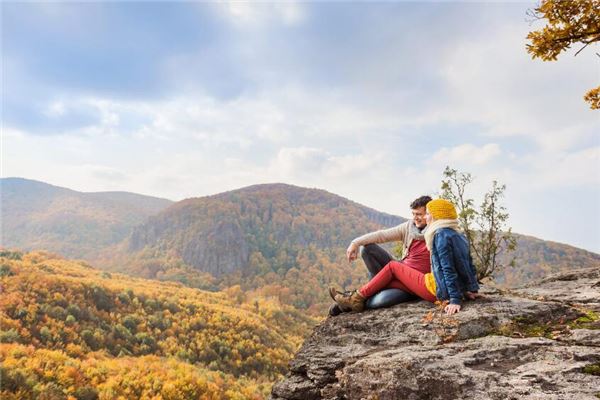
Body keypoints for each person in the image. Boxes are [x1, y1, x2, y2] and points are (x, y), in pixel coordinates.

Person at [330, 198, 480, 315]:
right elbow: (466, 264)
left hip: (424, 283)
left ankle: (351, 301)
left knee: (375, 301)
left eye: (423, 214)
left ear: (434, 216)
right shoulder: (454, 234)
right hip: (410, 277)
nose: (418, 218)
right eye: (414, 214)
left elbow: (449, 268)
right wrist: (470, 288)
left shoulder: (438, 235)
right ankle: (349, 301)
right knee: (372, 258)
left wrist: (455, 299)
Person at [329, 195, 433, 316]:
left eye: (419, 214)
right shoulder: (409, 227)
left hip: (415, 282)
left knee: (377, 302)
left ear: (429, 214)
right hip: (399, 270)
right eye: (413, 214)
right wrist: (355, 243)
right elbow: (382, 235)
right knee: (367, 249)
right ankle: (355, 297)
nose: (415, 218)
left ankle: (345, 305)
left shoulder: (436, 232)